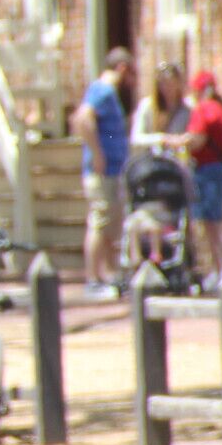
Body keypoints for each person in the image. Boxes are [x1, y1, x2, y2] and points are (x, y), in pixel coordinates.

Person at [72, 46, 136, 298]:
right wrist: (97, 151)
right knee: (99, 222)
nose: (131, 82)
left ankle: (109, 275)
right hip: (102, 170)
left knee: (110, 223)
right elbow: (82, 119)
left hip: (113, 170)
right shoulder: (103, 90)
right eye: (131, 74)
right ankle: (93, 278)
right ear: (121, 68)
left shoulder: (108, 94)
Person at [183, 69, 222, 276]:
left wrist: (180, 142)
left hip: (206, 171)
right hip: (220, 169)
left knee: (210, 225)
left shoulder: (203, 109)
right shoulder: (220, 108)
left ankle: (217, 270)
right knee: (218, 221)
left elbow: (197, 139)